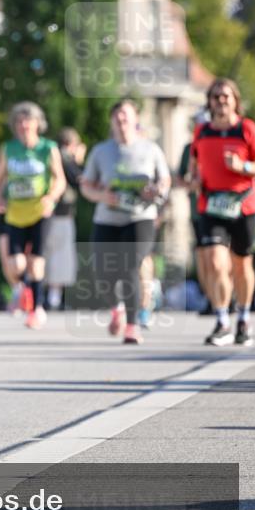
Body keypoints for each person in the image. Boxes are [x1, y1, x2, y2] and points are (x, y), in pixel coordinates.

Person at [80, 99, 171, 345]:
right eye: (117, 119)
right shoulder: (101, 151)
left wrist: (156, 191)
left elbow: (165, 180)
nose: (121, 123)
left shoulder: (150, 150)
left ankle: (132, 326)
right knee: (102, 272)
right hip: (107, 219)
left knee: (131, 264)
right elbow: (86, 186)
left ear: (135, 120)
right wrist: (102, 196)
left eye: (126, 117)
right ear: (112, 122)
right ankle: (115, 309)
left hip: (140, 218)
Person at [189, 77, 255, 347]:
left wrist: (243, 167)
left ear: (234, 100)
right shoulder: (202, 131)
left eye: (226, 96)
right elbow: (195, 163)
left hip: (243, 205)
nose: (221, 101)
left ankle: (243, 316)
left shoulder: (247, 129)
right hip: (211, 204)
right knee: (217, 262)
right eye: (216, 96)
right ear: (209, 101)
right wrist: (193, 177)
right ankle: (222, 320)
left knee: (242, 264)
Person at [0, 102, 66, 329]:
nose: (23, 125)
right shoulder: (8, 148)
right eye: (19, 121)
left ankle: (37, 309)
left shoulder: (48, 148)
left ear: (37, 123)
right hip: (15, 212)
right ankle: (24, 291)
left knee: (36, 263)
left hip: (40, 211)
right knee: (16, 264)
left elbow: (60, 179)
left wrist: (51, 197)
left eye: (28, 120)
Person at [43, 127, 86, 310]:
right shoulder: (65, 158)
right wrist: (79, 159)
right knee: (59, 256)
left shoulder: (50, 156)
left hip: (47, 213)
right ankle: (53, 298)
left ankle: (48, 296)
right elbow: (79, 180)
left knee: (47, 254)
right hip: (60, 215)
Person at [175, 112, 213, 315]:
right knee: (204, 256)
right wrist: (192, 184)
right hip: (198, 210)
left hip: (226, 212)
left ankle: (230, 299)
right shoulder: (189, 150)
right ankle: (210, 297)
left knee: (226, 255)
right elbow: (179, 179)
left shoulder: (222, 144)